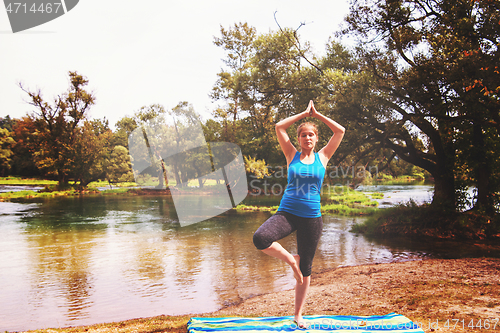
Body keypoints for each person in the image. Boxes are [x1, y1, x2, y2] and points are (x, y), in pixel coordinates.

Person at [253, 100, 345, 327]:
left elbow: (340, 131)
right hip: (287, 213)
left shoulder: (323, 157)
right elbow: (279, 127)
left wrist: (318, 115)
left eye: (311, 135)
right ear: (299, 139)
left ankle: (298, 315)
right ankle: (290, 260)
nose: (308, 138)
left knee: (307, 269)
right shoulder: (291, 155)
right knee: (261, 238)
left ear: (316, 138)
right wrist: (303, 113)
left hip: (312, 218)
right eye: (304, 135)